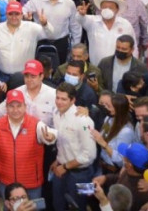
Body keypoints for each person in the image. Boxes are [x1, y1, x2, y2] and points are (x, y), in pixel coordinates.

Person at [0, 89, 57, 202]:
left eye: (19, 106)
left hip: (31, 184)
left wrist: (51, 137)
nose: (15, 110)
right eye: (11, 106)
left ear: (25, 106)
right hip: (6, 182)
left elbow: (51, 133)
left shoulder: (36, 124)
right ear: (6, 107)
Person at [49, 83, 97, 211]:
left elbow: (89, 155)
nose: (59, 102)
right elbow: (62, 142)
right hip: (61, 168)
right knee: (58, 205)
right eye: (57, 98)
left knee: (79, 207)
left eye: (63, 99)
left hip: (83, 173)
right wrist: (58, 160)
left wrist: (65, 166)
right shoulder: (56, 113)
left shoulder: (84, 120)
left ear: (73, 100)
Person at [0, 2, 57, 82]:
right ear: (6, 14)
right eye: (10, 14)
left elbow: (52, 36)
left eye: (17, 14)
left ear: (22, 14)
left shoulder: (32, 28)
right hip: (1, 76)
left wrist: (45, 24)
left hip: (25, 77)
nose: (14, 17)